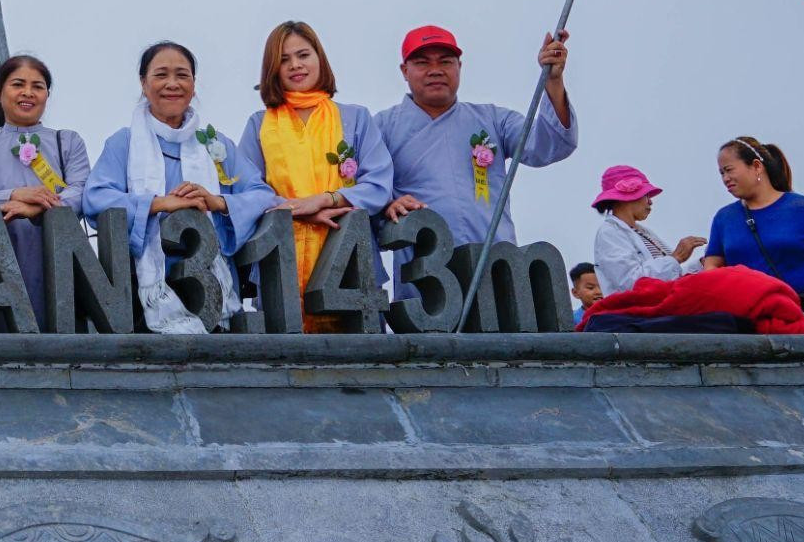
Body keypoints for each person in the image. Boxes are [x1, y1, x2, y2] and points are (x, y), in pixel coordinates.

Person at [83, 44, 270, 334]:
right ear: (144, 84)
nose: (172, 84)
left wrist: (217, 202)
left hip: (212, 293)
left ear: (194, 85)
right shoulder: (125, 143)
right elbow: (96, 198)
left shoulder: (215, 145)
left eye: (182, 75)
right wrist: (158, 204)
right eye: (161, 75)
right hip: (139, 297)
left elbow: (262, 195)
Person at [233, 22, 392, 332]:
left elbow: (379, 183)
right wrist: (300, 209)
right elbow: (246, 191)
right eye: (283, 59)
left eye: (303, 54)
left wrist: (325, 199)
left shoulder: (355, 117)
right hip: (280, 265)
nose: (295, 65)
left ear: (320, 58)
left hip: (350, 266)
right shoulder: (259, 124)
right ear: (272, 69)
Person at [376, 25, 578, 264]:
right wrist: (387, 203)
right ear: (404, 71)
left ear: (459, 66)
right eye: (422, 63)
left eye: (445, 62)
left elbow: (551, 145)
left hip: (496, 267)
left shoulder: (493, 120)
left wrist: (553, 81)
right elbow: (364, 189)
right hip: (425, 278)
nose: (435, 71)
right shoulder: (381, 129)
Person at [0, 55, 90, 330]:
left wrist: (39, 207)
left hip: (57, 258)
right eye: (18, 84)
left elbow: (83, 191)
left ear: (47, 94)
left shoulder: (67, 141)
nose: (27, 93)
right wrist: (13, 195)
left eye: (37, 86)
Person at [701, 138, 804, 324]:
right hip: (749, 324)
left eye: (729, 170)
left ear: (756, 166)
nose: (725, 179)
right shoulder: (724, 218)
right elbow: (712, 267)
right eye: (721, 173)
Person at [591, 164, 705, 298]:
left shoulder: (644, 232)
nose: (650, 202)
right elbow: (630, 282)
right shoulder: (610, 233)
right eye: (646, 195)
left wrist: (700, 265)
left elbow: (670, 277)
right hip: (635, 314)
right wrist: (675, 258)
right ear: (627, 197)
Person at [569, 263, 602, 327]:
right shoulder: (572, 320)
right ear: (575, 293)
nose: (598, 292)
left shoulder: (615, 315)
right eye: (590, 288)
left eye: (602, 287)